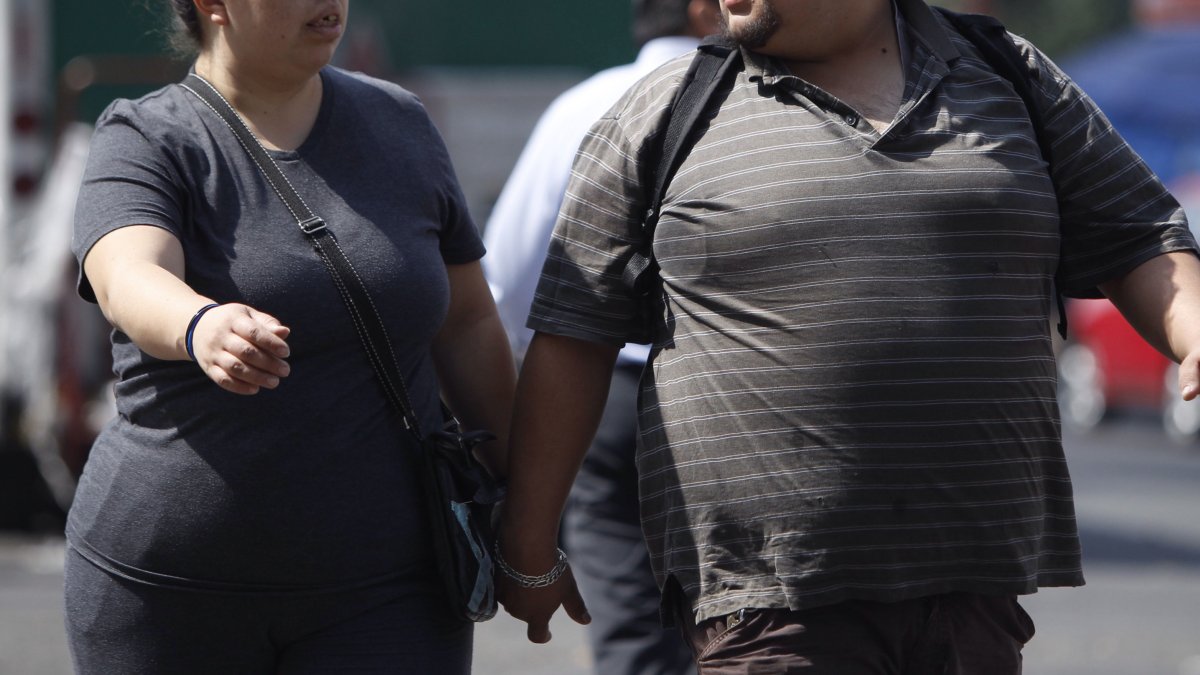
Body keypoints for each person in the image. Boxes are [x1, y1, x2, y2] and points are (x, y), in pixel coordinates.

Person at [493, 0, 1200, 672]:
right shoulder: (667, 108)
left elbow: (1138, 235)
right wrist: (530, 546)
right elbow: (571, 335)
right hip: (768, 606)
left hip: (974, 590)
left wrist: (1190, 331)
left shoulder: (1009, 74)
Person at [64, 0, 515, 672]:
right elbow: (126, 276)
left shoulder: (400, 124)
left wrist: (530, 514)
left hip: (391, 588)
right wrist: (199, 323)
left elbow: (469, 323)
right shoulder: (146, 134)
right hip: (170, 591)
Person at [483, 1, 718, 673]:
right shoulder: (764, 94)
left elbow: (504, 282)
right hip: (739, 388)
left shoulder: (584, 105)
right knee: (763, 624)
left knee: (636, 632)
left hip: (606, 397)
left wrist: (512, 466)